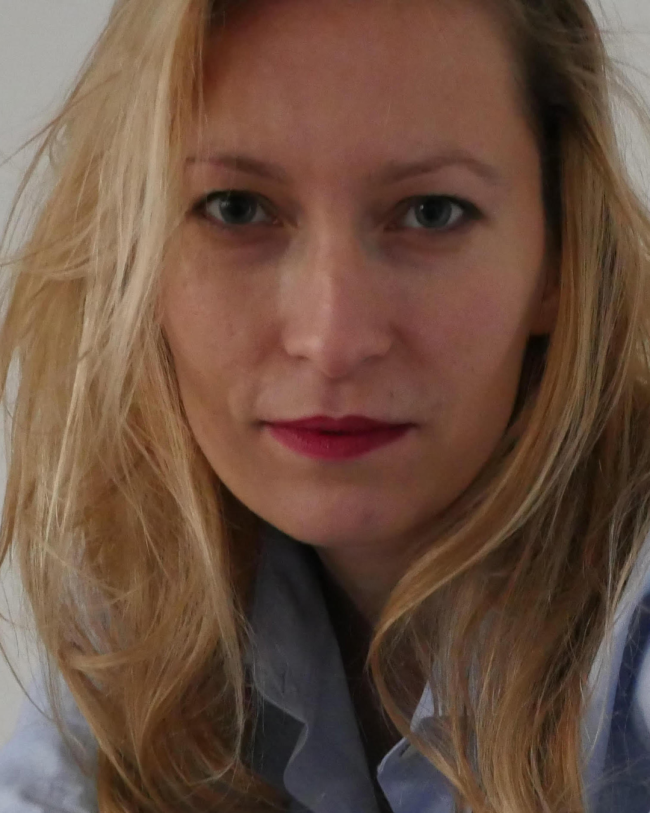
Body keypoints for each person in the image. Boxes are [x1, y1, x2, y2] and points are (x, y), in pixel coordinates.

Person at [1, 0, 650, 810]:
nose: (332, 337)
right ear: (133, 249)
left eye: (432, 212)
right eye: (237, 208)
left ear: (560, 254)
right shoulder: (148, 610)